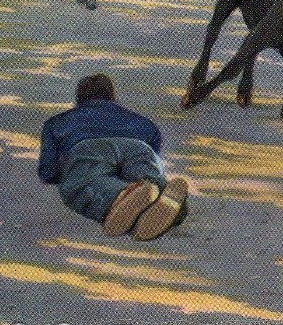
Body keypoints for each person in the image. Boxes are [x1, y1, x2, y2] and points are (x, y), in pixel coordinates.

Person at [37, 72, 188, 241]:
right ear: (112, 97)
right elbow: (154, 153)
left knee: (88, 184)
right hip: (138, 145)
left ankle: (120, 194)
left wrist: (68, 172)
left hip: (88, 148)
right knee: (148, 174)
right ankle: (162, 194)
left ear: (79, 99)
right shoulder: (144, 122)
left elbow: (47, 172)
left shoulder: (56, 122)